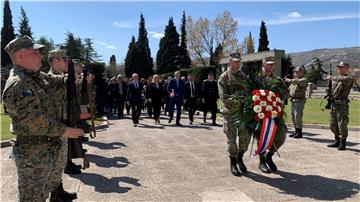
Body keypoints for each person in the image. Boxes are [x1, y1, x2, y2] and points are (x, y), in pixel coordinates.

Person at [2, 35, 84, 201]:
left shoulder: (36, 76)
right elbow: (37, 123)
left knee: (44, 193)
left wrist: (71, 78)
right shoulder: (20, 84)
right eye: (35, 52)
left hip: (45, 150)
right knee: (32, 198)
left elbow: (58, 82)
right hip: (33, 155)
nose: (41, 56)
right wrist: (65, 131)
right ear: (21, 55)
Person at [47, 50, 81, 201]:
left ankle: (58, 192)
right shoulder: (49, 78)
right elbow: (63, 80)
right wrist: (75, 73)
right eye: (64, 60)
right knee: (54, 164)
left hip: (62, 126)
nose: (66, 62)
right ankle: (54, 195)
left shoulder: (59, 78)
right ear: (54, 61)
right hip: (53, 129)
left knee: (59, 163)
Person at [218, 53, 251, 176]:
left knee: (245, 140)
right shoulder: (223, 78)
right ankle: (232, 162)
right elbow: (224, 97)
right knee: (231, 140)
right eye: (234, 62)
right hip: (230, 114)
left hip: (243, 114)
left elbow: (250, 92)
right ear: (230, 63)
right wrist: (239, 100)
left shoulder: (244, 77)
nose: (237, 64)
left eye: (239, 62)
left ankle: (240, 157)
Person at [255, 56, 288, 174]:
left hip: (275, 113)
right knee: (261, 136)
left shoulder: (279, 80)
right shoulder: (257, 80)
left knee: (281, 135)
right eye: (268, 64)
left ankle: (270, 156)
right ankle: (262, 161)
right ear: (263, 65)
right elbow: (251, 96)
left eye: (272, 64)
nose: (271, 66)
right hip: (259, 114)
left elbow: (285, 94)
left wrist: (280, 103)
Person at [327, 62, 354, 150]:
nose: (339, 69)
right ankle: (337, 140)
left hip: (342, 105)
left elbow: (344, 79)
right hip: (334, 105)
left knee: (342, 124)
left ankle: (343, 143)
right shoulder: (337, 80)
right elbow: (333, 91)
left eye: (341, 67)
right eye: (339, 67)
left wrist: (332, 78)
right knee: (332, 124)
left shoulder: (349, 78)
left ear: (346, 69)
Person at [285, 66, 308, 138]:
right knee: (293, 116)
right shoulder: (294, 80)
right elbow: (289, 90)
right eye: (295, 72)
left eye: (297, 72)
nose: (296, 73)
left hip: (299, 100)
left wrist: (287, 80)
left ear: (302, 72)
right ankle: (296, 130)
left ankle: (299, 132)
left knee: (297, 116)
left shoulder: (304, 80)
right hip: (293, 100)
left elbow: (295, 81)